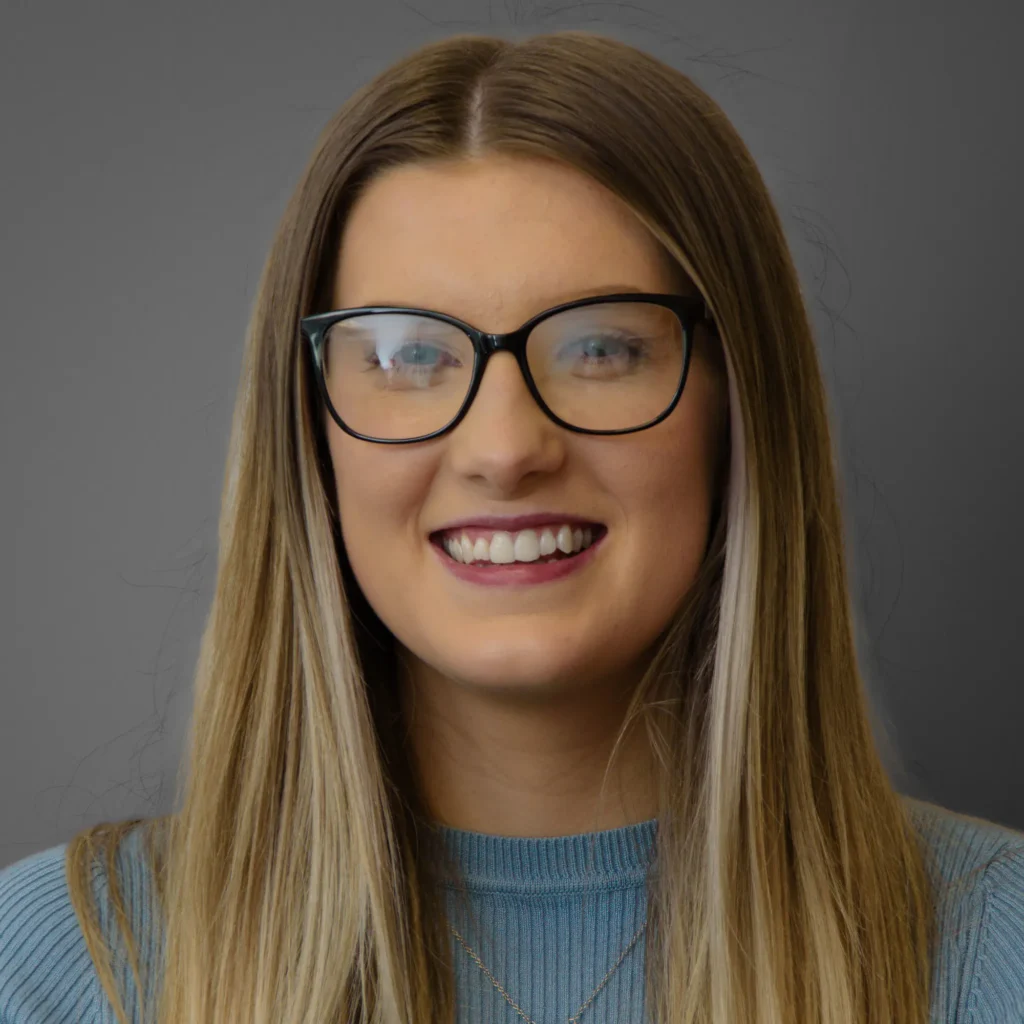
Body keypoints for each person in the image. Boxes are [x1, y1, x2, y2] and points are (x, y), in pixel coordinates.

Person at [2, 29, 1023, 1024]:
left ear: (739, 406)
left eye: (599, 347)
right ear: (308, 431)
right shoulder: (62, 970)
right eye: (408, 356)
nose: (504, 446)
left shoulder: (994, 947)